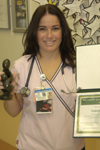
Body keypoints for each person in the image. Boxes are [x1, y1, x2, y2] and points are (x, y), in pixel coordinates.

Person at [0, 4, 85, 150]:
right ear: (35, 32)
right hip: (32, 146)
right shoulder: (22, 66)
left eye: (55, 28)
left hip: (71, 146)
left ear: (63, 32)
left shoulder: (77, 67)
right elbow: (13, 112)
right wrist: (9, 94)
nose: (49, 35)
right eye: (42, 29)